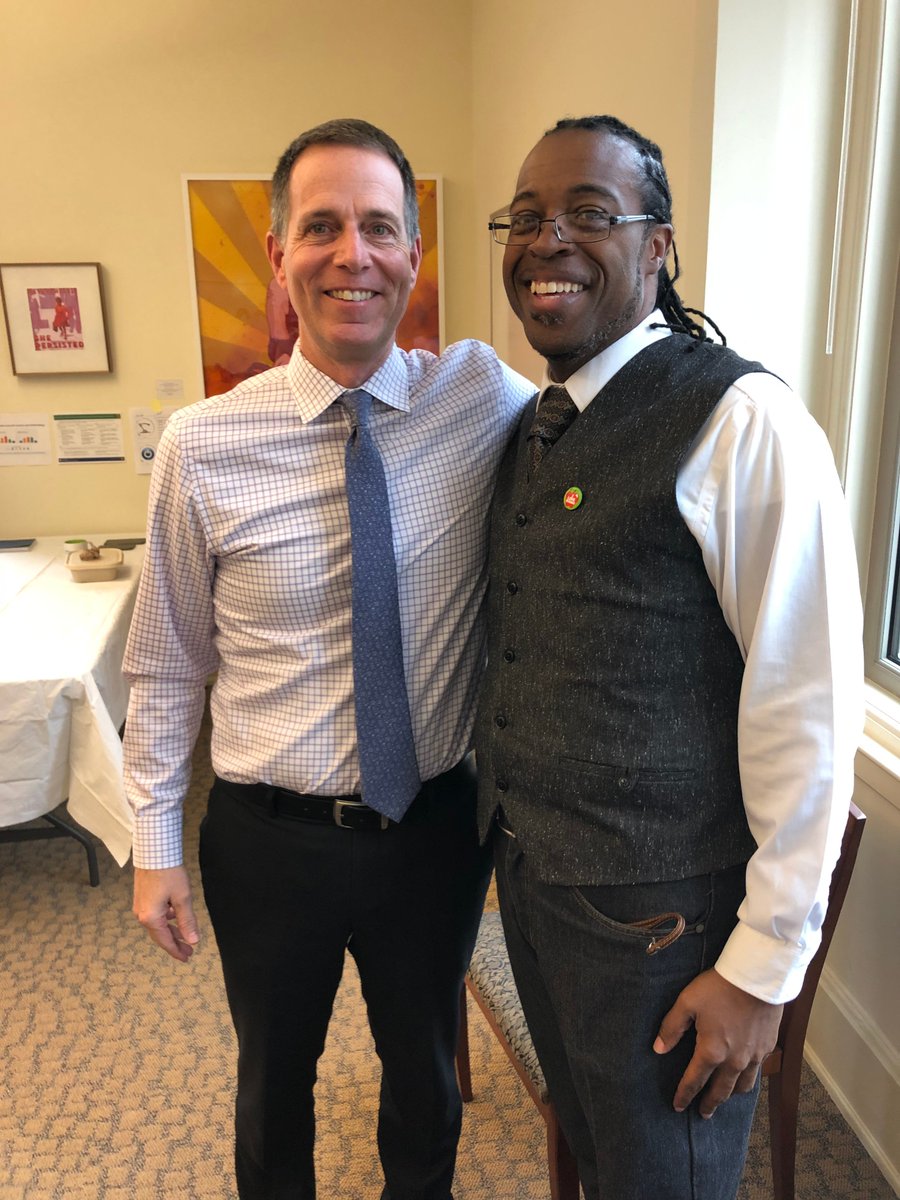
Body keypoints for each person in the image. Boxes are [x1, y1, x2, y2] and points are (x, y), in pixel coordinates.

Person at [123, 117, 534, 1200]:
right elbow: (166, 663)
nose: (354, 254)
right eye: (322, 227)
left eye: (380, 228)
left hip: (433, 830)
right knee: (273, 1090)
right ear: (278, 255)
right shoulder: (201, 446)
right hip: (270, 842)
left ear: (413, 254)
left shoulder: (478, 397)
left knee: (427, 1082)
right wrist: (153, 846)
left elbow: (597, 416)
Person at [475, 114, 863, 1200]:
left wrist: (762, 972)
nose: (549, 239)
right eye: (527, 217)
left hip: (666, 926)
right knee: (607, 1171)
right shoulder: (535, 423)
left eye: (590, 213)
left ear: (659, 247)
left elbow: (808, 708)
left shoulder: (744, 420)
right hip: (541, 892)